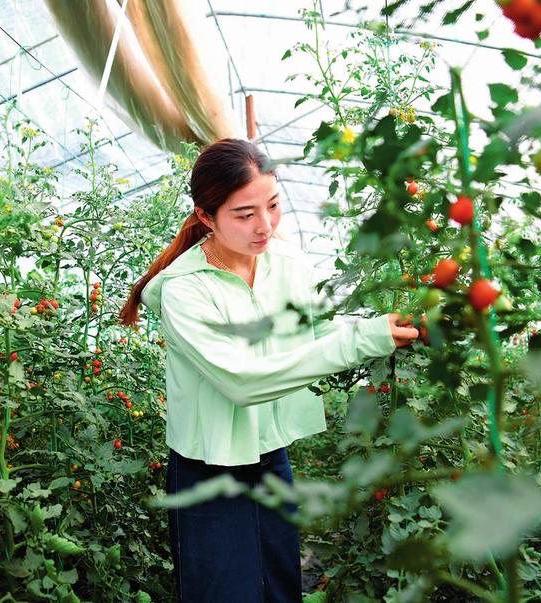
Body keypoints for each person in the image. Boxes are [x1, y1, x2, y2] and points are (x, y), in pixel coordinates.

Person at [118, 138, 419, 603]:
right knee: (222, 594)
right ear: (206, 217)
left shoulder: (286, 263)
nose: (265, 226)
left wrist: (384, 328)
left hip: (270, 456)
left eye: (273, 205)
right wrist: (363, 339)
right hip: (208, 466)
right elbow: (242, 380)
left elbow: (318, 327)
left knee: (282, 588)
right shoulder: (186, 291)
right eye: (245, 214)